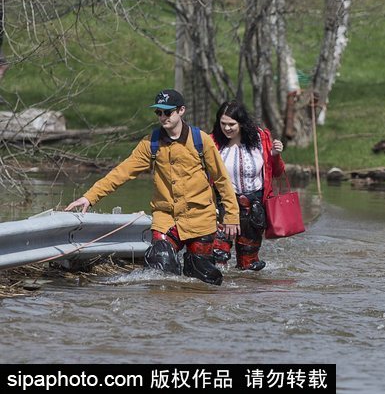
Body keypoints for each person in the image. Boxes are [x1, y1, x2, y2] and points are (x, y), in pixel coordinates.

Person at [65, 89, 240, 285]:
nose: (163, 117)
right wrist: (90, 197)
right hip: (167, 219)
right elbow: (122, 172)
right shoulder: (151, 143)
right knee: (160, 268)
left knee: (201, 278)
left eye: (168, 112)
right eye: (159, 113)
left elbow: (222, 179)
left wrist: (231, 216)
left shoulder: (201, 141)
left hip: (200, 218)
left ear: (181, 111)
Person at [210, 100, 285, 271]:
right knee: (218, 256)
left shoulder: (261, 138)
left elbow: (278, 172)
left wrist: (275, 156)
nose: (227, 128)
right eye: (223, 124)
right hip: (224, 206)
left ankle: (247, 294)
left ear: (242, 123)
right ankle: (217, 295)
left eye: (231, 124)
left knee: (249, 262)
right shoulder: (212, 142)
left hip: (254, 208)